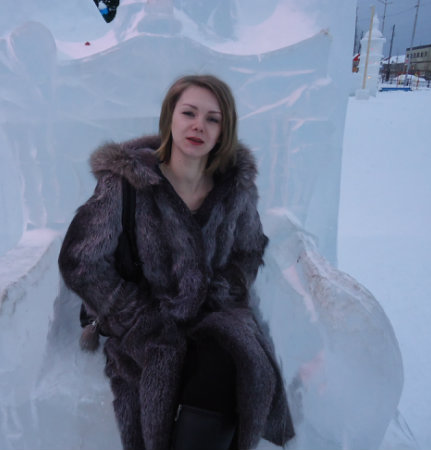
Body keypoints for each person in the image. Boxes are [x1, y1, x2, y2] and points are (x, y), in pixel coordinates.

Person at [58, 74, 294, 450]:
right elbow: (81, 262)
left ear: (224, 131)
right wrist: (137, 315)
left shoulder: (234, 189)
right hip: (144, 325)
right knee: (180, 366)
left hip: (211, 317)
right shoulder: (127, 182)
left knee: (231, 361)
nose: (199, 125)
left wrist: (221, 291)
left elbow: (248, 250)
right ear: (170, 117)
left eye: (213, 119)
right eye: (189, 113)